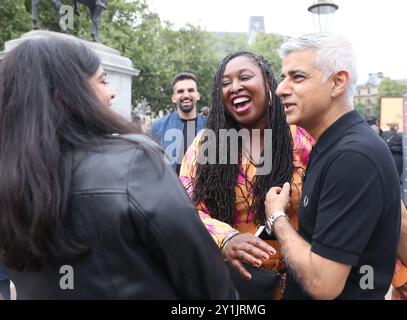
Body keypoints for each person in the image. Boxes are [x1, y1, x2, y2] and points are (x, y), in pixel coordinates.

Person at [0, 37, 236, 299]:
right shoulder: (134, 163)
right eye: (102, 80)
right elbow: (208, 284)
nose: (112, 92)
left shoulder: (10, 179)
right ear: (65, 96)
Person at [265, 33, 402, 299]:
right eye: (284, 77)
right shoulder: (332, 145)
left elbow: (323, 284)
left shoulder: (352, 157)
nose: (281, 88)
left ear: (338, 82)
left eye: (297, 77)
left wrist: (277, 217)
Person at [180, 51, 314, 299]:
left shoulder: (302, 140)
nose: (235, 87)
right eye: (225, 83)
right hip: (233, 286)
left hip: (300, 284)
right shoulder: (205, 146)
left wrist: (401, 274)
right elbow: (184, 209)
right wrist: (226, 239)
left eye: (245, 77)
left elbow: (338, 209)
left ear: (268, 84)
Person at [150, 73, 206, 174]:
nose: (186, 95)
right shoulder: (158, 126)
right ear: (174, 98)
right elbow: (152, 164)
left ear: (198, 96)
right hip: (170, 188)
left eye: (190, 90)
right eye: (180, 91)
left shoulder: (211, 125)